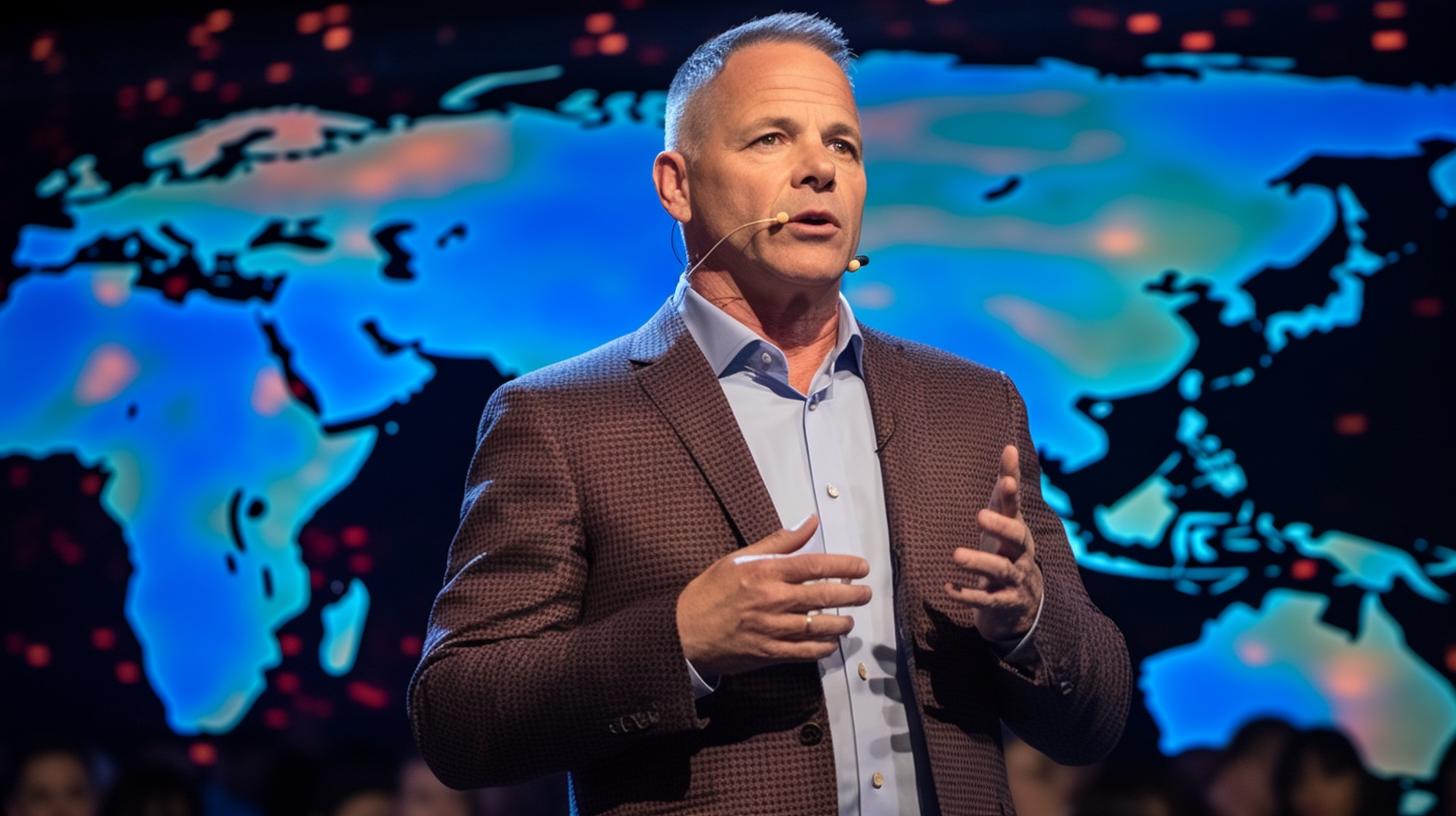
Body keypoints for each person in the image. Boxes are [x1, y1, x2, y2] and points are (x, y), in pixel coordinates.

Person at [408, 11, 1131, 814]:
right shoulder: (563, 418)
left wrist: (1031, 622)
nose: (819, 170)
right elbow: (459, 715)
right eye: (771, 139)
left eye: (843, 145)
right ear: (676, 184)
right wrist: (681, 639)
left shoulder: (971, 406)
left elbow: (1095, 721)